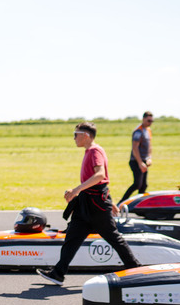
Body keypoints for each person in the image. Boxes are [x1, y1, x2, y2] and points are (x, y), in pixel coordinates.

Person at [37, 122, 140, 286]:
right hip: (88, 203)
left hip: (96, 205)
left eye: (75, 134)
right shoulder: (91, 151)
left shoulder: (94, 151)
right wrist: (109, 201)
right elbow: (99, 181)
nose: (74, 138)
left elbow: (100, 175)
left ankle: (135, 269)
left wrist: (77, 189)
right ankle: (58, 273)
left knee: (113, 238)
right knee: (72, 237)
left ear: (85, 135)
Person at [120, 111, 154, 204]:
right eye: (148, 120)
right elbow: (135, 148)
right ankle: (121, 203)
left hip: (144, 160)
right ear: (143, 119)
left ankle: (140, 204)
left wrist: (149, 158)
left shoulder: (148, 130)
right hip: (136, 161)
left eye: (152, 121)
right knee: (137, 184)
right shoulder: (139, 131)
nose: (150, 123)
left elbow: (149, 146)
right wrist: (140, 163)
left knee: (143, 185)